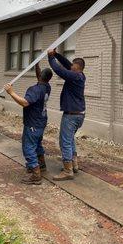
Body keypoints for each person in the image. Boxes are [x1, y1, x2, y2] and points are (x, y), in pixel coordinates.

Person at [4, 63, 53, 185]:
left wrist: (11, 92)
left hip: (33, 123)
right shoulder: (47, 86)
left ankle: (36, 174)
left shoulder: (35, 89)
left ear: (41, 77)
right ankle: (41, 165)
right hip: (41, 122)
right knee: (37, 144)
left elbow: (25, 103)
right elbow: (40, 77)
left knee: (28, 147)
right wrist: (36, 65)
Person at [48, 49, 86, 181]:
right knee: (69, 139)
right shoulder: (79, 75)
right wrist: (57, 55)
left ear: (78, 68)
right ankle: (74, 165)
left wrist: (50, 58)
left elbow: (60, 70)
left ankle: (67, 170)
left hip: (71, 116)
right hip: (78, 114)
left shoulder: (75, 76)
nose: (70, 68)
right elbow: (66, 64)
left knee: (64, 142)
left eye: (73, 67)